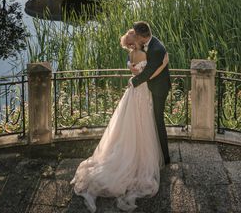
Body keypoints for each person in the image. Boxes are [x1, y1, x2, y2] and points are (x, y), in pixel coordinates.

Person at [71, 29, 169, 212]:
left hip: (132, 90)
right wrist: (164, 64)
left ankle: (126, 150)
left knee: (127, 123)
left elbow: (134, 68)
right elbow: (149, 72)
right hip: (141, 90)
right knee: (142, 123)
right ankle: (139, 156)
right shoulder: (141, 53)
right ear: (137, 41)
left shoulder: (132, 54)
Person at [129, 21, 172, 166]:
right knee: (149, 119)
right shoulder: (145, 43)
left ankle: (165, 157)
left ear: (141, 36)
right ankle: (153, 151)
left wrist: (134, 82)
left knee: (158, 120)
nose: (134, 36)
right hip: (149, 87)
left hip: (159, 89)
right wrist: (130, 65)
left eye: (136, 34)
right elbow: (131, 53)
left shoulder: (157, 49)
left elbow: (149, 73)